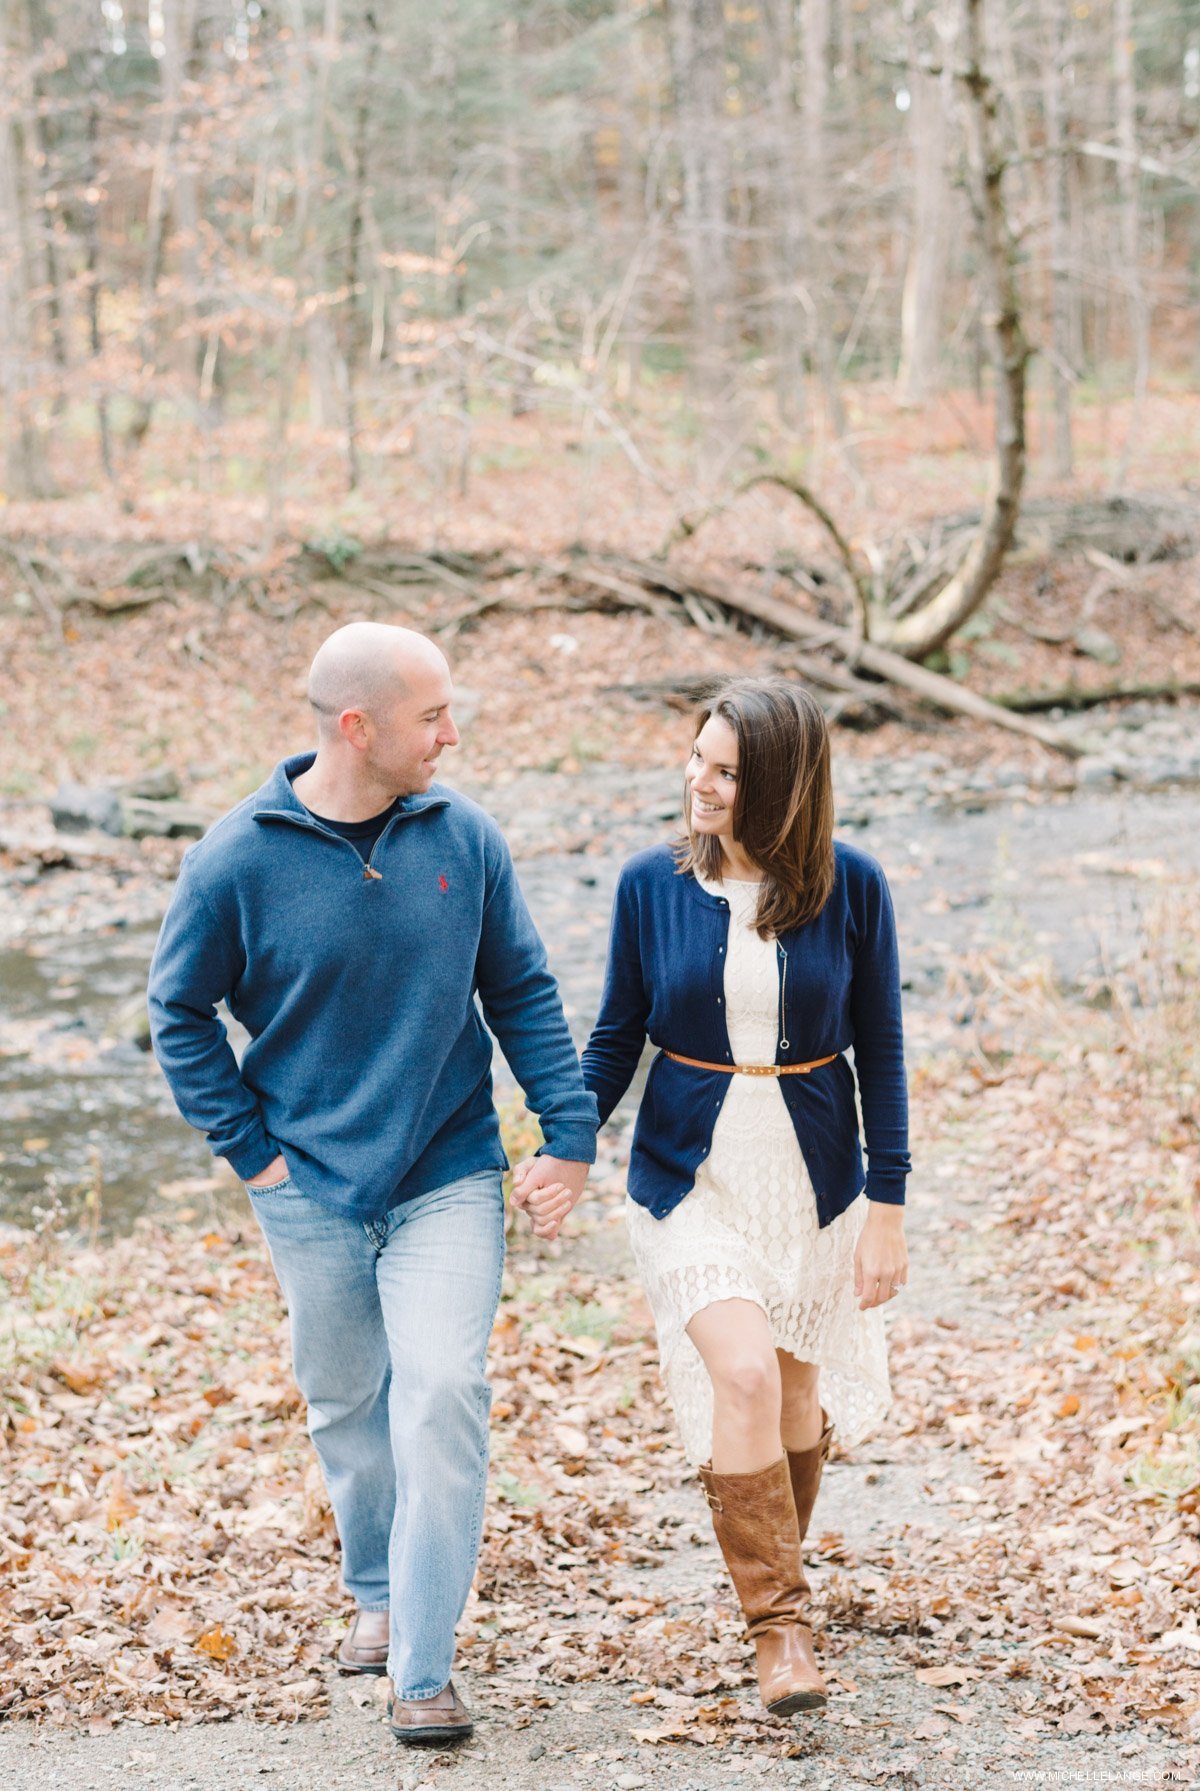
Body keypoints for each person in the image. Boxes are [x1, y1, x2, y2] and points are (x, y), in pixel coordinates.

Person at [148, 622, 596, 1748]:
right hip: (305, 1183)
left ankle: (422, 1667)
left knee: (440, 1390)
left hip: (447, 1168)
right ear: (359, 729)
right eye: (432, 716)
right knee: (349, 1403)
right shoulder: (237, 859)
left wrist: (570, 1132)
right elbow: (178, 1015)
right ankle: (377, 1587)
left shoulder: (466, 837)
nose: (452, 733)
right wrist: (252, 1155)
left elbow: (524, 990)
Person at [515, 676, 910, 1717]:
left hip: (813, 1178)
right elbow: (615, 1035)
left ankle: (777, 1571)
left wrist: (889, 1206)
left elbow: (884, 1053)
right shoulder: (651, 884)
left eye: (726, 772)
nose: (699, 781)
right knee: (739, 1373)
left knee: (790, 1397)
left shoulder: (851, 887)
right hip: (689, 1176)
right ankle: (780, 1630)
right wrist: (567, 1145)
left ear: (779, 786)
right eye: (696, 758)